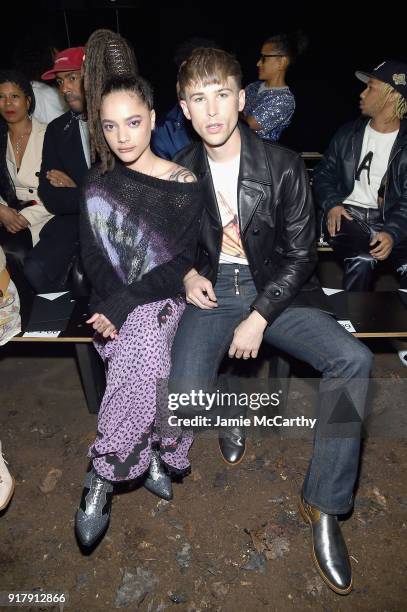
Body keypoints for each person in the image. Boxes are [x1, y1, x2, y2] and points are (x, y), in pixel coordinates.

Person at [169, 47, 373, 595]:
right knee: (185, 396)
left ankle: (324, 505)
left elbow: (303, 253)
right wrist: (188, 274)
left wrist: (259, 316)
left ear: (241, 98)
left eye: (221, 96)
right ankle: (232, 404)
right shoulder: (180, 172)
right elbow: (167, 246)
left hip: (275, 289)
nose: (211, 111)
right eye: (197, 99)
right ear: (185, 108)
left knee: (353, 360)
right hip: (212, 293)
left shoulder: (281, 165)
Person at [74, 54, 202, 547]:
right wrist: (111, 305)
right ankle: (149, 449)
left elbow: (178, 264)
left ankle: (103, 473)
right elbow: (92, 257)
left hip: (161, 298)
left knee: (148, 346)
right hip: (111, 303)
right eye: (110, 126)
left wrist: (122, 307)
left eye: (132, 122)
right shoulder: (96, 184)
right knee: (146, 355)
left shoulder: (180, 184)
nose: (123, 136)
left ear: (152, 118)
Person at [313, 60, 407, 292]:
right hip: (348, 217)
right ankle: (351, 324)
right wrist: (332, 204)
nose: (363, 93)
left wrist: (392, 232)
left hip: (391, 220)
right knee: (363, 259)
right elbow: (323, 174)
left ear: (393, 96)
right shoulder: (348, 133)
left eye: (371, 87)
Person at [31, 47, 89, 292]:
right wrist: (89, 193)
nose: (64, 88)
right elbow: (51, 196)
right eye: (60, 81)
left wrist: (78, 187)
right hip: (72, 220)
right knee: (35, 268)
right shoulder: (57, 129)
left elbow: (122, 192)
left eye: (72, 78)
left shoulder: (118, 119)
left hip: (114, 222)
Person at [0, 70, 53, 294]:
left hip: (44, 213)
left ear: (28, 100)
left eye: (15, 96)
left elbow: (59, 192)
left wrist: (22, 217)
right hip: (6, 211)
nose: (7, 103)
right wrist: (1, 210)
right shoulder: (1, 137)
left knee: (17, 252)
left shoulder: (50, 134)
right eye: (1, 97)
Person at [151, 37, 217, 160]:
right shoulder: (164, 130)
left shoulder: (232, 124)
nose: (183, 84)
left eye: (193, 77)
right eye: (181, 76)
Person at [243, 31, 307, 141]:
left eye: (264, 58)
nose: (258, 63)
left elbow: (248, 124)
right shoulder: (253, 86)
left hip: (259, 156)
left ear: (282, 62)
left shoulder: (285, 100)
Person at [13, 35, 67, 125]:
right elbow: (62, 128)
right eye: (55, 53)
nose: (60, 55)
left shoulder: (28, 88)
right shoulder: (43, 93)